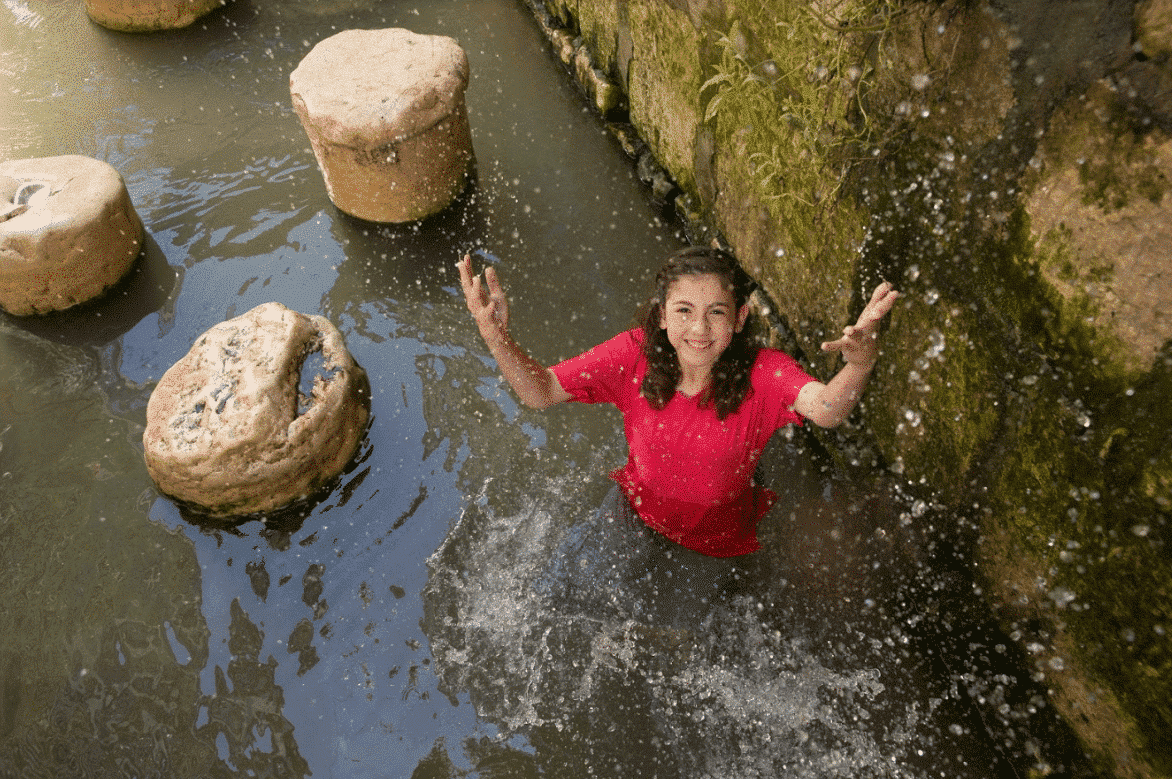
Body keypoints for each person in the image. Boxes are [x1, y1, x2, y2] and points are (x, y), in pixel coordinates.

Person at [457, 245, 899, 627]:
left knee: (679, 629)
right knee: (565, 595)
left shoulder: (764, 373)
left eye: (716, 313)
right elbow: (542, 392)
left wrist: (859, 365)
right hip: (637, 507)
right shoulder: (633, 355)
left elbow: (825, 410)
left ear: (740, 318)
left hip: (715, 537)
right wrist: (497, 338)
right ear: (663, 315)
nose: (699, 330)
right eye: (684, 311)